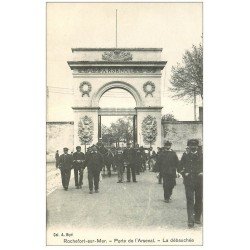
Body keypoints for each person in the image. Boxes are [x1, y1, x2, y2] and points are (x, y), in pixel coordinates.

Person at [179, 139, 203, 228]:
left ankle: (197, 217)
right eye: (191, 146)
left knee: (199, 199)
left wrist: (202, 172)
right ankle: (190, 220)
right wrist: (184, 173)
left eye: (194, 146)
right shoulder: (185, 156)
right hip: (189, 181)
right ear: (189, 147)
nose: (193, 148)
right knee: (189, 200)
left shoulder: (202, 156)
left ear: (197, 147)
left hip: (200, 181)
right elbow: (180, 166)